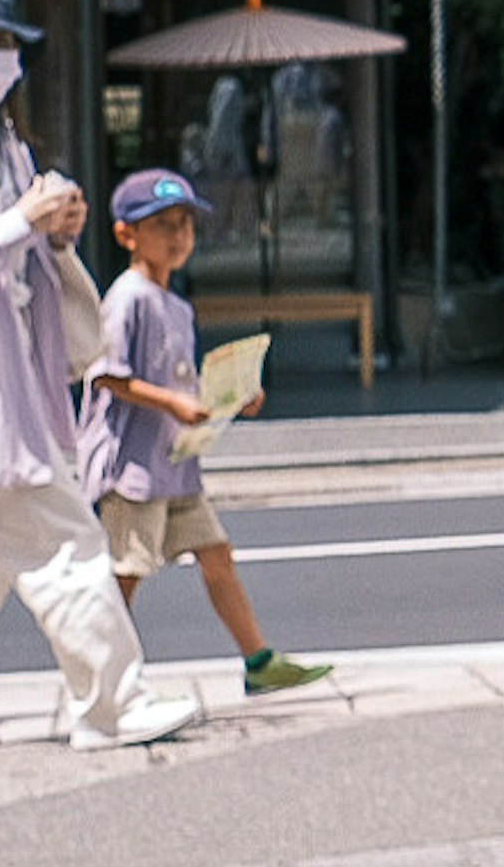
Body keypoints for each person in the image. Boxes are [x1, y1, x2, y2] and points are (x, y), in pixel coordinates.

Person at [0, 16, 197, 752]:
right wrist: (24, 219)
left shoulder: (9, 143)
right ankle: (113, 705)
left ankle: (111, 705)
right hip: (4, 407)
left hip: (16, 386)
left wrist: (53, 228)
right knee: (71, 550)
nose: (9, 59)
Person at [80, 170, 328, 695]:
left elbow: (184, 381)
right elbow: (105, 373)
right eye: (163, 225)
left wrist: (232, 398)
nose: (177, 237)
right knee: (126, 572)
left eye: (185, 225)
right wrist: (172, 400)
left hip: (175, 461)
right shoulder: (128, 298)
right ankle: (107, 681)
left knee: (216, 553)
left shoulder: (177, 305)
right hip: (135, 467)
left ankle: (258, 660)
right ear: (127, 235)